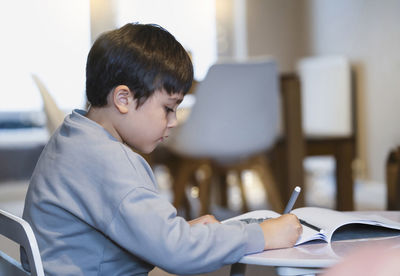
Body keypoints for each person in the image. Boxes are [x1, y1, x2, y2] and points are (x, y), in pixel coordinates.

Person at [21, 23, 302, 275]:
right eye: (168, 108)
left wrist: (177, 232)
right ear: (123, 98)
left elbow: (131, 228)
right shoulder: (111, 162)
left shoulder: (72, 137)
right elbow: (178, 253)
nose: (173, 121)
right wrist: (261, 235)